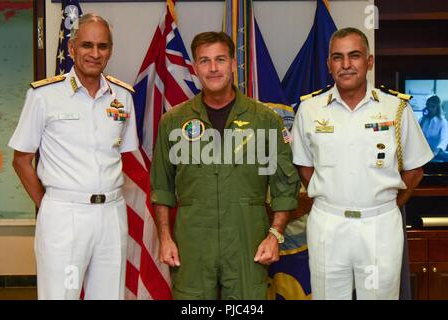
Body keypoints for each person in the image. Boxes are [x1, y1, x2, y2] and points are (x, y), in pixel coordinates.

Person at [150, 31, 299, 300]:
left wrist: (274, 235)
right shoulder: (173, 121)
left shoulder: (265, 120)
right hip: (192, 242)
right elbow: (162, 187)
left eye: (220, 59)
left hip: (247, 241)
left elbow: (284, 188)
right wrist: (165, 238)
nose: (213, 68)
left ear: (233, 63)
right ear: (195, 68)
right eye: (204, 61)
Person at [291, 27, 433, 300]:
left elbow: (415, 170)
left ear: (369, 61)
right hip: (328, 224)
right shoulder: (310, 110)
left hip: (380, 226)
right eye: (337, 57)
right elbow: (305, 167)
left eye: (354, 56)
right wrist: (335, 195)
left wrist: (383, 205)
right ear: (329, 64)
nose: (346, 65)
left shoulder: (395, 108)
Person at [8, 13, 138, 299]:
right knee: (61, 295)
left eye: (102, 46)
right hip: (64, 215)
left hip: (111, 215)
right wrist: (48, 206)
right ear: (71, 48)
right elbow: (21, 159)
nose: (94, 53)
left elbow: (125, 156)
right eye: (86, 45)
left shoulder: (123, 97)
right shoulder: (44, 95)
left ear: (110, 50)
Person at [419, 95, 448, 160]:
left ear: (437, 108)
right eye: (428, 106)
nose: (430, 109)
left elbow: (444, 140)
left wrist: (436, 151)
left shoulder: (442, 122)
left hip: (436, 153)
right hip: (423, 152)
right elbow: (416, 135)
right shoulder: (422, 120)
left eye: (433, 106)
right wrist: (423, 118)